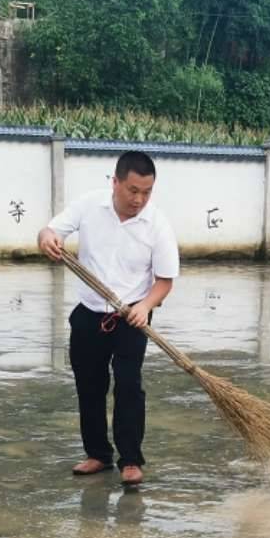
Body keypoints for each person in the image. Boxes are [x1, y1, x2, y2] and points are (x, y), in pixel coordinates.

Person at [36, 150, 179, 488]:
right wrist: (47, 239)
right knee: (89, 385)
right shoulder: (89, 206)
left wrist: (145, 306)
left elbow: (165, 280)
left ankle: (130, 459)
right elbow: (49, 230)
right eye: (132, 190)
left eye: (146, 192)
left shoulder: (156, 223)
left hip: (132, 317)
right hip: (89, 314)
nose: (139, 199)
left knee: (129, 385)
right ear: (115, 182)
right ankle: (98, 453)